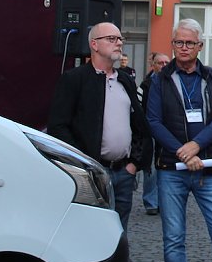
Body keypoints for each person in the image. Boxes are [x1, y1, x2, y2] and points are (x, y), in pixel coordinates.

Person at [146, 18, 212, 262]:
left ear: (199, 46)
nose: (183, 47)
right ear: (172, 44)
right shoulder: (159, 80)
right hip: (171, 171)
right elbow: (153, 121)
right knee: (173, 239)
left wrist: (196, 146)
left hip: (209, 168)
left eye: (189, 43)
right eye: (178, 42)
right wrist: (182, 152)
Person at [48, 22, 149, 232]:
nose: (119, 43)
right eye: (112, 39)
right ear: (94, 44)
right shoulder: (75, 79)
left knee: (119, 234)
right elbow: (58, 126)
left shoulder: (125, 81)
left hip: (123, 172)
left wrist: (134, 164)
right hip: (92, 173)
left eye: (120, 39)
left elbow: (140, 125)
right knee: (90, 232)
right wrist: (85, 165)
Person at [139, 51, 171, 215]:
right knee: (151, 168)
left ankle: (165, 202)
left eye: (166, 63)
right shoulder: (145, 85)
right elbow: (138, 109)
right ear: (153, 65)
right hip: (150, 131)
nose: (164, 66)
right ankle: (151, 202)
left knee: (167, 168)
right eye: (160, 63)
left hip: (168, 131)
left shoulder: (173, 83)